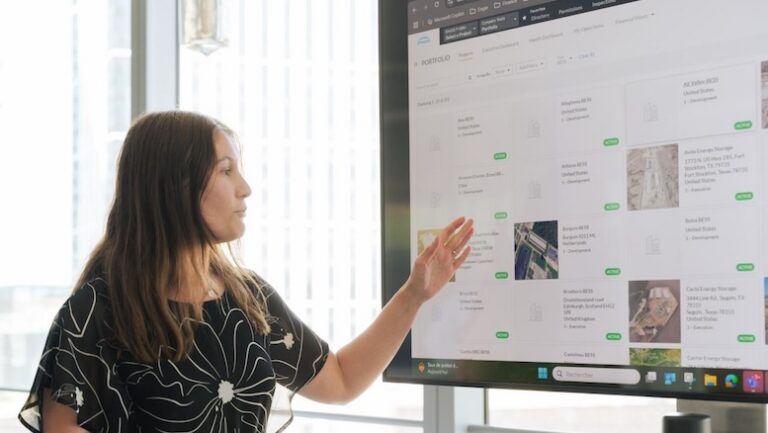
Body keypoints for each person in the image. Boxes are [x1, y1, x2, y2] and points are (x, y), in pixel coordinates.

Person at [18, 111, 474, 433]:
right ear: (177, 186)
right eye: (226, 170)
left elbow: (340, 379)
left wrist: (415, 294)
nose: (245, 188)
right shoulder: (97, 309)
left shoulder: (248, 299)